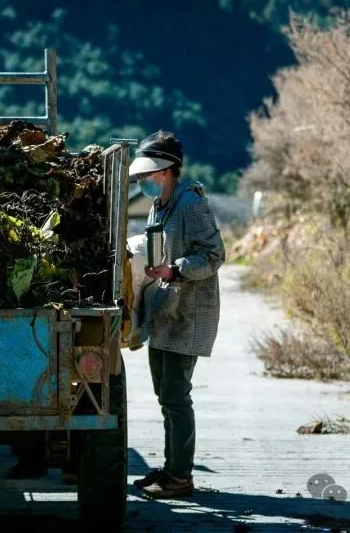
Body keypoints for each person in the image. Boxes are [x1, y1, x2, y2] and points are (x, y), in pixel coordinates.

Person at [129, 131, 226, 499]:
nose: (144, 182)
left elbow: (215, 255)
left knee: (175, 395)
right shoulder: (160, 206)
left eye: (149, 175)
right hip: (166, 311)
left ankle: (181, 477)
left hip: (189, 313)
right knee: (164, 394)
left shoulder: (190, 205)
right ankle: (172, 469)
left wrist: (176, 269)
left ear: (168, 171)